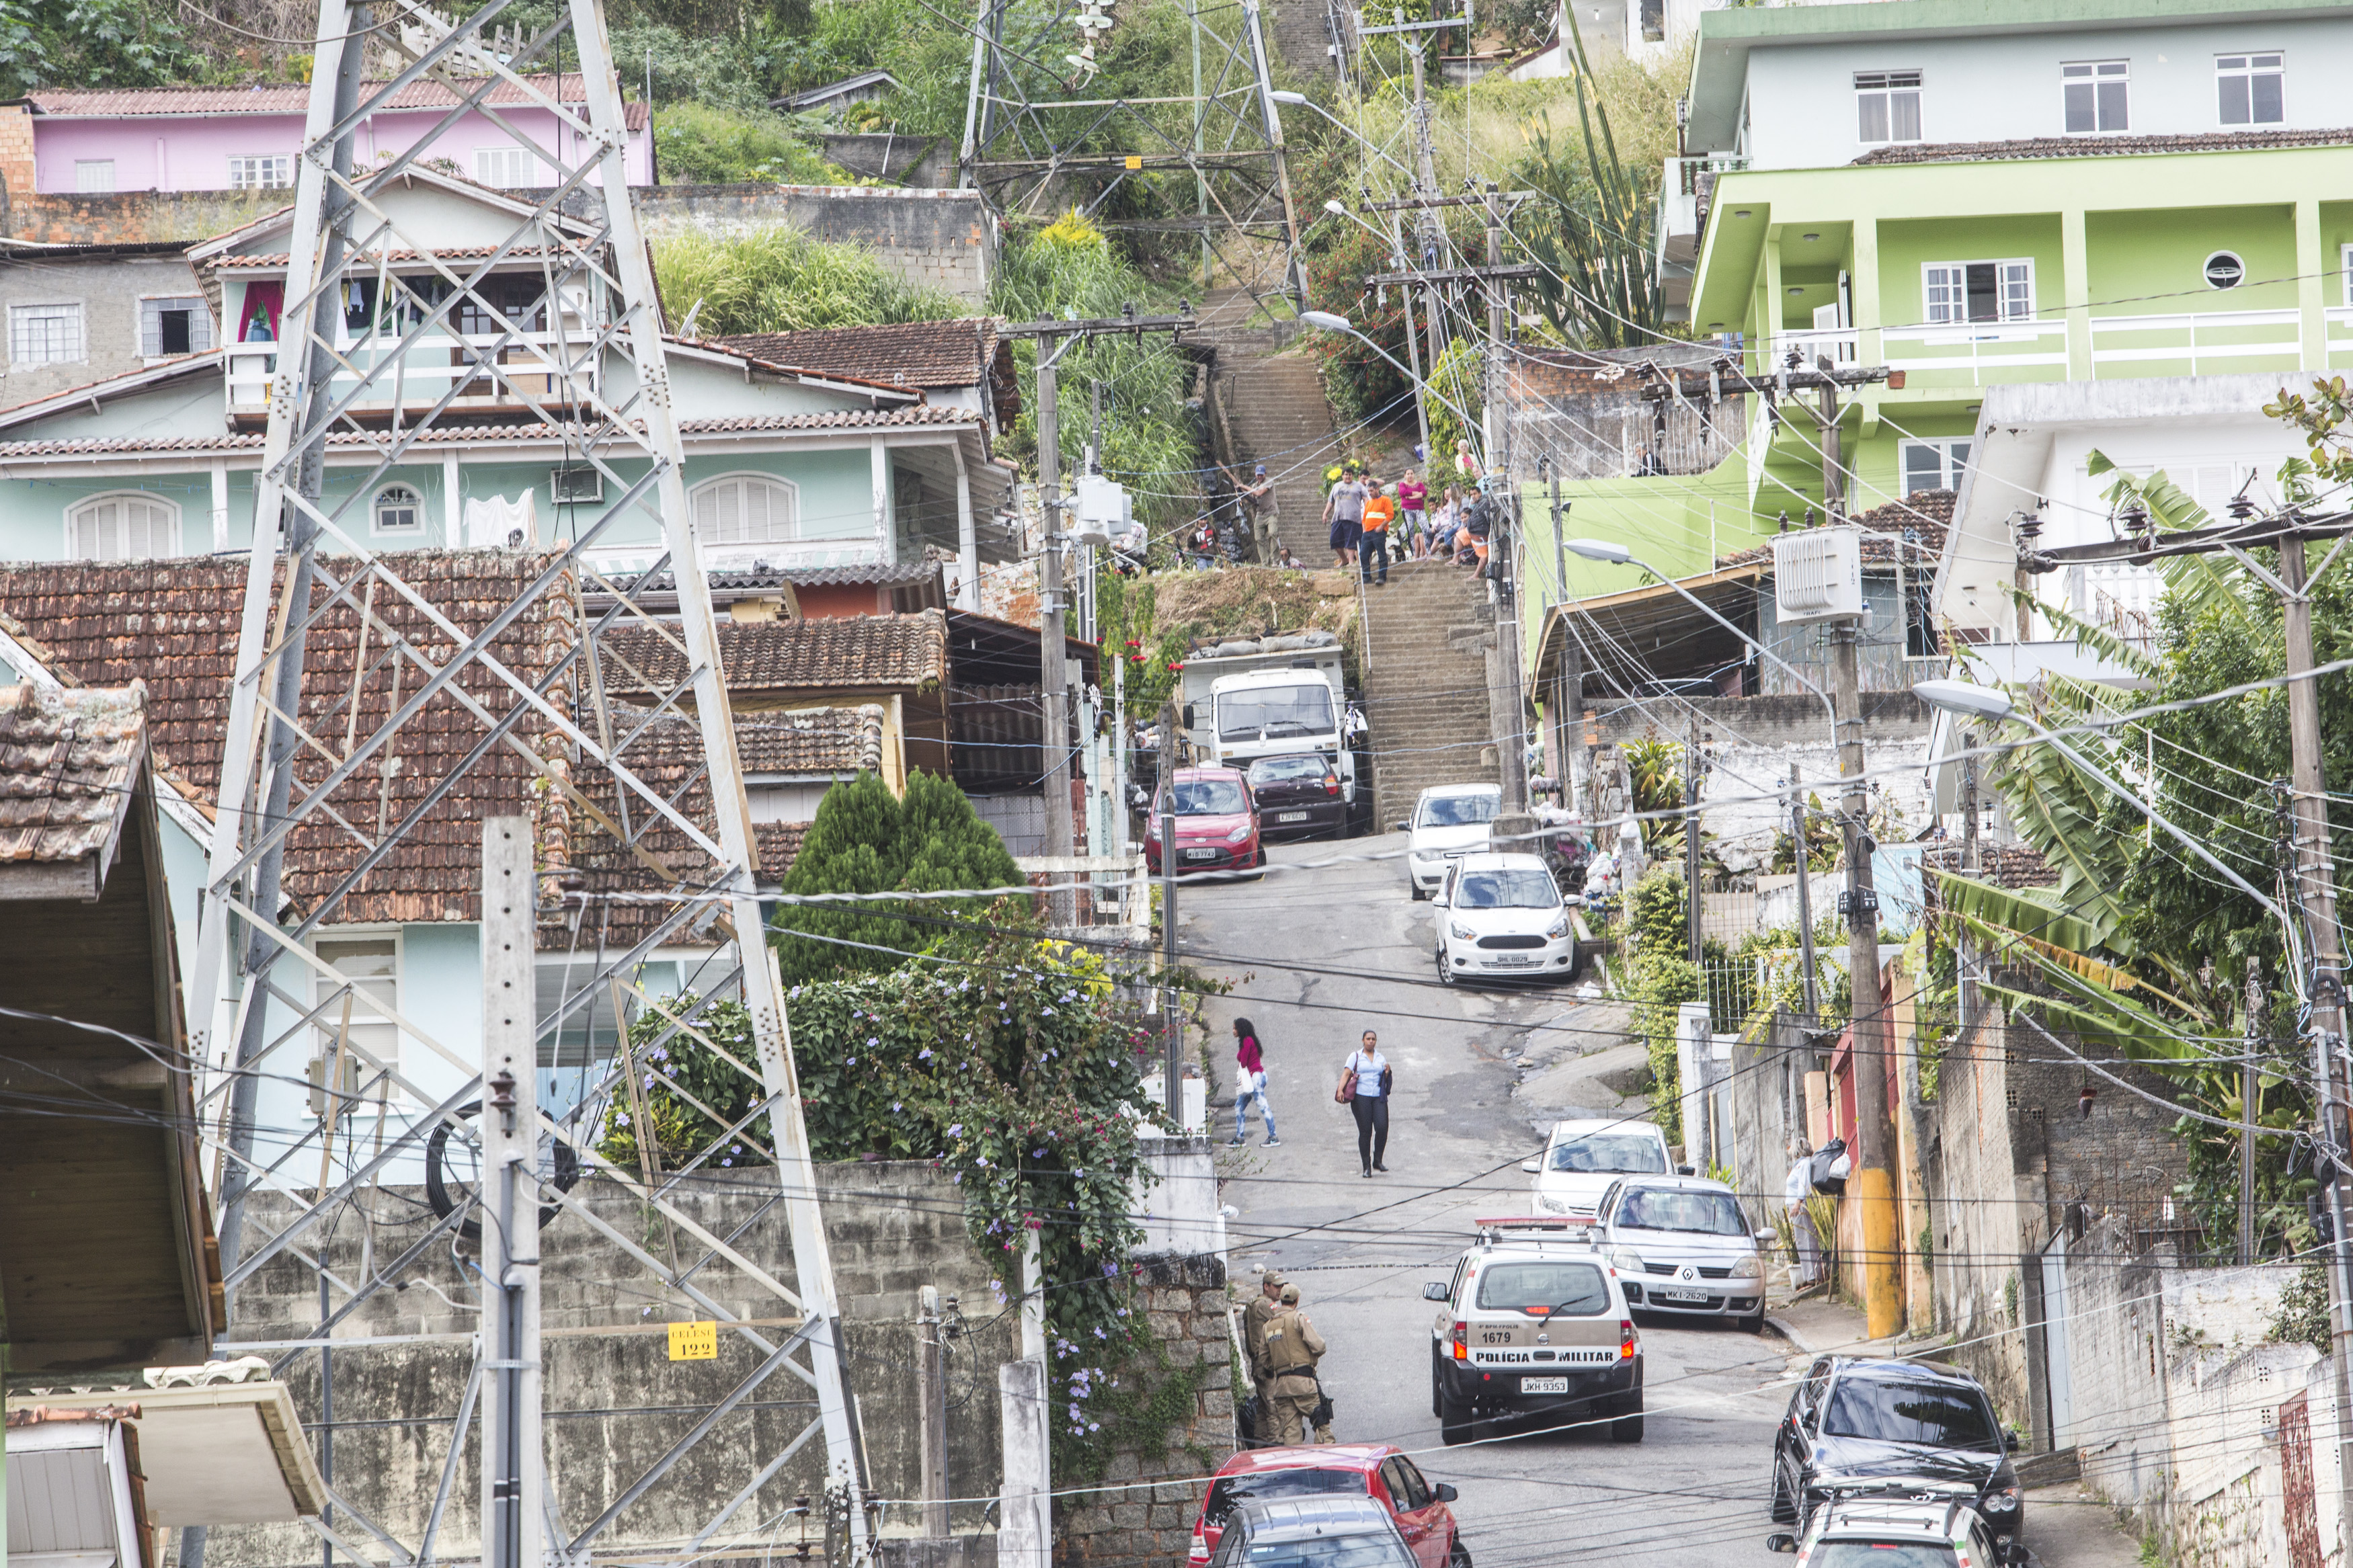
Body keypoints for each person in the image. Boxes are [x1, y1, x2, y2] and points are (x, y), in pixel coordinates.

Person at [1261, 1282, 1332, 1444]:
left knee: (1291, 1437)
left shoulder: (1268, 1326)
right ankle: (1328, 1465)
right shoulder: (1298, 1318)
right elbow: (1319, 1346)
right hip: (1304, 1384)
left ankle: (1295, 1467)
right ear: (1297, 1300)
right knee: (1322, 1427)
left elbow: (1264, 1360)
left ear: (1281, 1300)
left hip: (1282, 1388)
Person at [1242, 1270, 1287, 1443]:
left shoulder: (1254, 1304)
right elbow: (1283, 1322)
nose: (1280, 1290)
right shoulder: (1267, 1305)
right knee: (1274, 1409)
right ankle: (1277, 1447)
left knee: (1262, 1410)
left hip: (1257, 1363)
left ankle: (1259, 1448)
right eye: (1276, 1287)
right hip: (1266, 1365)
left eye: (1282, 1286)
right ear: (1266, 1286)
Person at [1340, 1030, 1392, 1177]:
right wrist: (1340, 1090)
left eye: (1373, 1039)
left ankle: (1378, 1160)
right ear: (1363, 1040)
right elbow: (1346, 1074)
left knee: (1382, 1128)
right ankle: (1366, 1166)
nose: (1371, 1041)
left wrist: (1387, 1072)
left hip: (1377, 1097)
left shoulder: (1381, 1058)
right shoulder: (1355, 1056)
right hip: (1361, 1097)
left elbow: (1384, 1076)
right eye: (1368, 1039)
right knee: (1365, 1131)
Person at [1230, 1016, 1279, 1146]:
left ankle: (1273, 1137)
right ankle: (1239, 1138)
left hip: (1255, 1078)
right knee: (1239, 1107)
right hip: (1257, 1076)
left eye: (1235, 1028)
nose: (1233, 1031)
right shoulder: (1250, 1040)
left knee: (1263, 1107)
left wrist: (1239, 1055)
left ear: (1241, 1029)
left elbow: (1244, 1062)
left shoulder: (1247, 1041)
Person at [1786, 1137, 1823, 1288]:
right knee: (1802, 1241)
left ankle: (1814, 1276)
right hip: (1796, 1208)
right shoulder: (1798, 1165)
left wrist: (1798, 1203)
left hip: (1800, 1207)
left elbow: (1804, 1185)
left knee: (1808, 1240)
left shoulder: (1805, 1164)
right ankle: (1809, 1276)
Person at [1324, 464, 1368, 569]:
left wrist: (1368, 510)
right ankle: (1344, 559)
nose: (1348, 477)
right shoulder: (1336, 486)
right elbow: (1331, 502)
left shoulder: (1358, 486)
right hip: (1338, 517)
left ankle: (1352, 562)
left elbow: (1366, 499)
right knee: (1334, 540)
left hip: (1353, 517)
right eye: (1346, 475)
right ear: (1342, 476)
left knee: (1351, 541)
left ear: (1353, 476)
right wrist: (1325, 513)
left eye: (1350, 475)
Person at [1358, 483, 1394, 586]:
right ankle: (1366, 577)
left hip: (1379, 532)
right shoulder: (1369, 503)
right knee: (1363, 554)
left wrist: (1381, 526)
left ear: (1377, 489)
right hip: (1367, 533)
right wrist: (1364, 530)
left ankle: (1382, 577)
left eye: (1372, 491)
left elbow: (1390, 515)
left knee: (1381, 554)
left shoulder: (1385, 500)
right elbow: (1364, 518)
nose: (1370, 493)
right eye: (1368, 491)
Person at [1396, 467, 1427, 558]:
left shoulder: (1419, 484)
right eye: (1408, 474)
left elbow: (1424, 493)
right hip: (1407, 510)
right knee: (1411, 531)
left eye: (1411, 473)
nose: (1410, 475)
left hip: (1419, 509)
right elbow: (1403, 492)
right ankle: (1414, 553)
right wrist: (1417, 493)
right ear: (1405, 476)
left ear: (1414, 475)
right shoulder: (1402, 484)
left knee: (1425, 529)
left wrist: (1411, 497)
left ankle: (1426, 552)